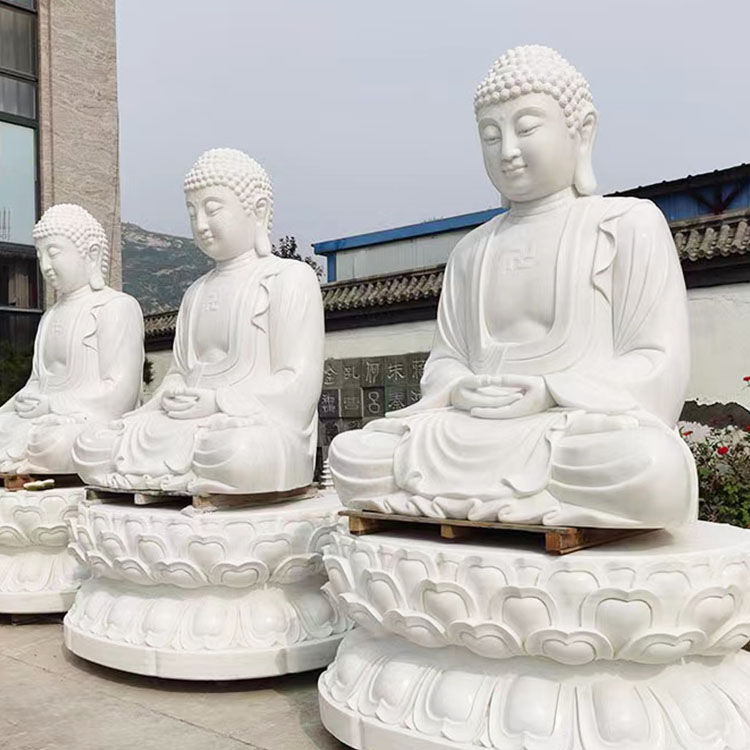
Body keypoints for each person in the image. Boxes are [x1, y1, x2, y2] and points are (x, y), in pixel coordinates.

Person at [329, 46, 697, 528]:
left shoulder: (625, 225)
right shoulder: (472, 251)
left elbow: (658, 362)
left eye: (526, 129)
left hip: (570, 428)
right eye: (490, 135)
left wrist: (549, 391)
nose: (507, 151)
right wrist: (460, 390)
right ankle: (509, 504)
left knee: (650, 465)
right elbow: (447, 362)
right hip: (466, 430)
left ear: (581, 131)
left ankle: (477, 502)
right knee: (355, 454)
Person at [73, 149, 324, 494]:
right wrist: (168, 398)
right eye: (192, 213)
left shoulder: (289, 279)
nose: (201, 225)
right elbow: (179, 373)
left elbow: (299, 384)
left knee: (236, 451)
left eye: (213, 209)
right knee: (91, 444)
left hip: (246, 424)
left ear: (258, 210)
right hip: (185, 424)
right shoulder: (196, 292)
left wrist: (218, 402)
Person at [0, 204, 143, 475]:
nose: (45, 266)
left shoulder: (115, 307)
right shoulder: (50, 316)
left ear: (91, 253)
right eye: (40, 255)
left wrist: (53, 405)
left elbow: (121, 393)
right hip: (41, 419)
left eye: (53, 253)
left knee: (56, 444)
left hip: (85, 422)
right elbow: (36, 384)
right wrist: (13, 408)